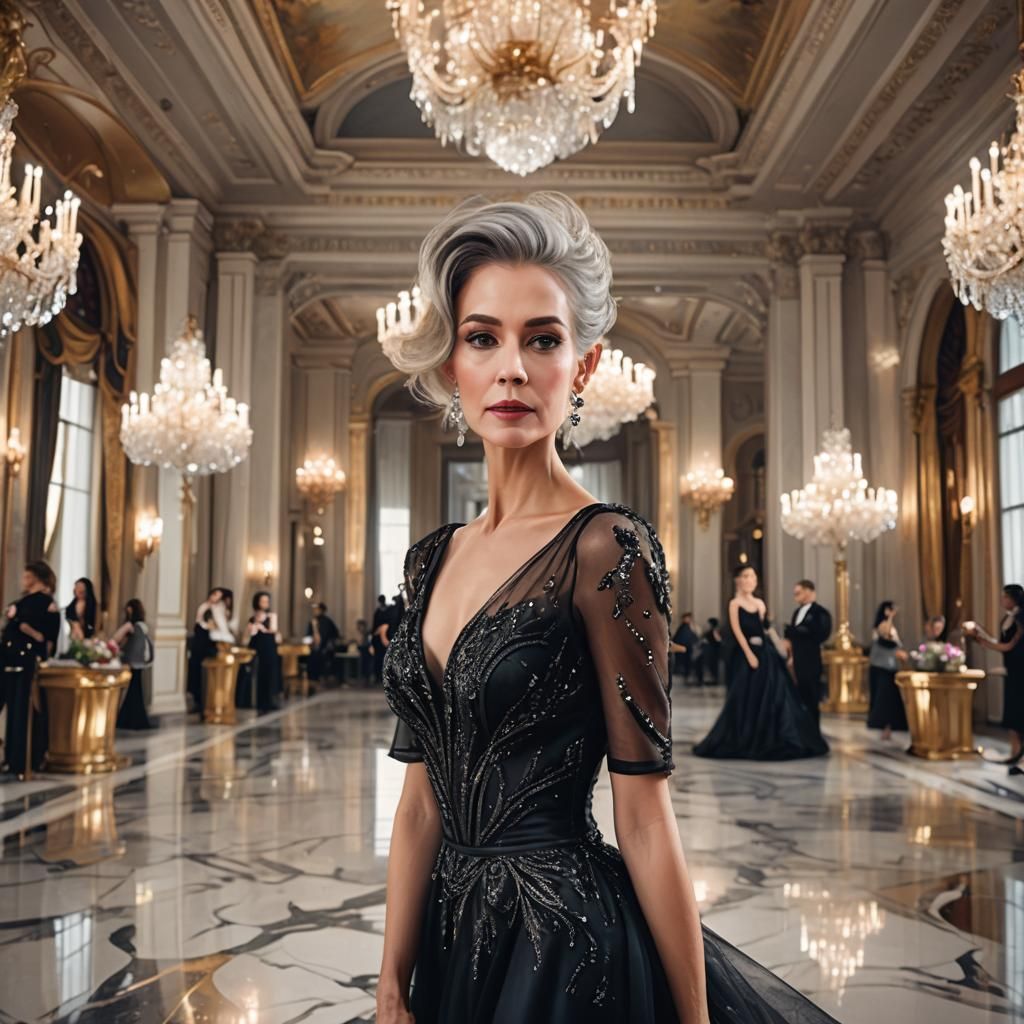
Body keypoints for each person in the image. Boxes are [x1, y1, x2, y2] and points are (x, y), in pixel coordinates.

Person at [376, 194, 837, 1024]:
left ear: (583, 366)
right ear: (452, 366)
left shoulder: (606, 549)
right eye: (482, 337)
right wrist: (389, 982)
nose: (511, 368)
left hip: (564, 950)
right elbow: (417, 805)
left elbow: (645, 813)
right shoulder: (428, 559)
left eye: (542, 339)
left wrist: (694, 1018)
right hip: (449, 938)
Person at [694, 565, 829, 761]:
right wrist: (749, 655)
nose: (751, 580)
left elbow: (766, 630)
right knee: (745, 697)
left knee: (777, 695)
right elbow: (738, 633)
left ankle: (777, 737)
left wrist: (781, 649)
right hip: (746, 655)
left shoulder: (759, 603)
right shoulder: (734, 604)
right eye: (747, 576)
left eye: (753, 577)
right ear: (738, 580)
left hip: (766, 654)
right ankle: (746, 737)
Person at [1, 561, 61, 776]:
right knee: (12, 710)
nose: (24, 580)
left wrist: (26, 628)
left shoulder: (46, 604)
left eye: (28, 576)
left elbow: (47, 638)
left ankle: (23, 759)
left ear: (38, 578)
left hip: (27, 661)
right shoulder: (22, 602)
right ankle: (11, 757)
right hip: (8, 658)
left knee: (23, 710)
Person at [964, 584, 1024, 769]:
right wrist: (982, 636)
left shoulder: (1021, 617)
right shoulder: (1008, 618)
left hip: (1020, 670)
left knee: (1018, 711)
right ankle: (1015, 752)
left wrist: (985, 642)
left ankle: (1019, 756)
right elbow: (1002, 642)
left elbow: (1010, 646)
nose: (1002, 600)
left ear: (1013, 598)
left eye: (1004, 597)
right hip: (1012, 669)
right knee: (1011, 712)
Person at [784, 579, 832, 725]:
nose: (795, 597)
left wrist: (799, 631)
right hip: (796, 661)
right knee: (798, 698)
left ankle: (813, 731)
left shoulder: (820, 612)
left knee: (812, 698)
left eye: (798, 593)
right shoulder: (796, 612)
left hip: (811, 661)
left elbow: (822, 633)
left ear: (807, 592)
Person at [187, 587, 235, 715]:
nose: (216, 598)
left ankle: (212, 702)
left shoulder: (218, 609)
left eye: (219, 596)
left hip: (211, 644)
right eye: (215, 595)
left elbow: (221, 627)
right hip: (201, 645)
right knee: (198, 673)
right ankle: (199, 702)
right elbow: (201, 623)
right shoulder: (204, 608)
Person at [866, 600, 908, 739]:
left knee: (890, 699)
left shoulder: (887, 624)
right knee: (884, 698)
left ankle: (889, 726)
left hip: (888, 665)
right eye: (892, 610)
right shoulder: (882, 625)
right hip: (882, 666)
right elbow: (887, 639)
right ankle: (885, 726)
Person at [112, 598, 154, 730]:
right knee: (136, 690)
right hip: (141, 661)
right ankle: (135, 719)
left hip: (131, 660)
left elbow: (115, 638)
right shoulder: (143, 626)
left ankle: (128, 720)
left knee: (132, 690)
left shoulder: (130, 625)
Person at [247, 591, 281, 713]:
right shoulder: (252, 618)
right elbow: (250, 633)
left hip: (269, 648)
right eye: (263, 601)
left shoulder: (272, 616)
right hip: (257, 648)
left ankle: (270, 701)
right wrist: (255, 626)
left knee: (270, 674)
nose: (265, 603)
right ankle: (259, 702)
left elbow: (273, 630)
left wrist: (260, 626)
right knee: (259, 674)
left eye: (267, 601)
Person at [306, 602, 340, 686]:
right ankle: (313, 681)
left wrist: (330, 643)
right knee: (312, 662)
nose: (315, 611)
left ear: (322, 610)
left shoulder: (327, 621)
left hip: (325, 648)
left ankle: (324, 680)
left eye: (317, 609)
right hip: (314, 647)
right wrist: (310, 642)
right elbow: (308, 634)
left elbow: (334, 634)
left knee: (323, 662)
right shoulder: (312, 621)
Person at [65, 576, 98, 644]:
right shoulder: (71, 606)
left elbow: (95, 624)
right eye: (77, 587)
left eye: (81, 588)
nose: (78, 590)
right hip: (75, 636)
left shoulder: (93, 606)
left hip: (89, 637)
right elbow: (72, 621)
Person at [672, 612, 699, 684]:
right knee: (685, 665)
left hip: (686, 649)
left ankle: (686, 678)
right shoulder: (684, 627)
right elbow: (683, 638)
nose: (689, 619)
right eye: (688, 618)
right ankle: (686, 678)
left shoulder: (687, 627)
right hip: (684, 650)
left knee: (687, 665)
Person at [695, 616, 723, 686]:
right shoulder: (710, 631)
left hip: (712, 652)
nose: (707, 625)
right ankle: (709, 679)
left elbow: (718, 641)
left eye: (709, 624)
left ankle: (712, 680)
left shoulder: (715, 631)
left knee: (711, 666)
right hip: (709, 652)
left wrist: (706, 642)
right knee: (709, 666)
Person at [371, 594, 391, 685]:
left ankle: (384, 677)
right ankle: (378, 677)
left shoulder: (382, 612)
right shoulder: (379, 612)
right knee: (379, 659)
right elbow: (375, 626)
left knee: (385, 658)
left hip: (385, 637)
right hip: (379, 639)